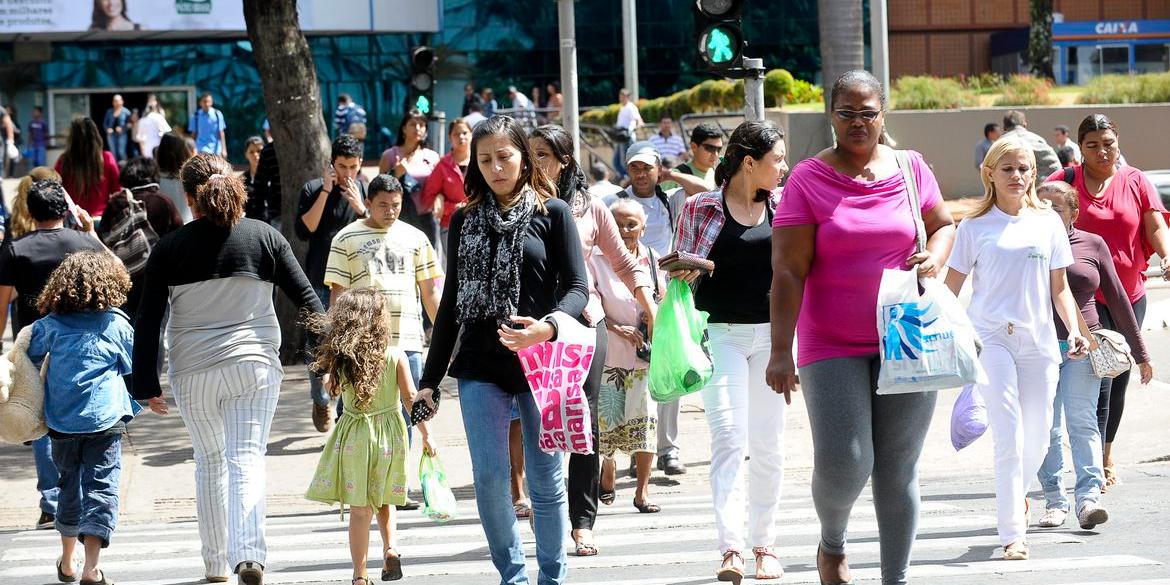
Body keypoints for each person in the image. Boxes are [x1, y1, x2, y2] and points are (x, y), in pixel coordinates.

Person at [769, 70, 956, 585]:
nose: (857, 122)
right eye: (847, 112)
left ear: (883, 115)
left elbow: (943, 224)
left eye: (867, 112)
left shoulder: (912, 168)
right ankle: (833, 542)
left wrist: (935, 258)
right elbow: (787, 269)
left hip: (907, 336)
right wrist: (779, 350)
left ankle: (894, 578)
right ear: (831, 116)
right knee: (846, 462)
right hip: (830, 341)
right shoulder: (808, 179)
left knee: (897, 467)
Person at [132, 154, 322, 585]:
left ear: (188, 196)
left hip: (193, 371)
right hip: (254, 366)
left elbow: (148, 318)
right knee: (246, 458)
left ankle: (215, 564)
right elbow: (310, 303)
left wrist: (145, 381)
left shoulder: (170, 248)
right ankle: (249, 555)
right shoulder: (264, 237)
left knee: (210, 460)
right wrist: (328, 359)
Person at [419, 115, 588, 585]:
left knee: (546, 477)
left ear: (524, 157)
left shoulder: (553, 213)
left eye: (505, 157)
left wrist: (548, 328)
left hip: (542, 363)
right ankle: (511, 576)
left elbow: (578, 288)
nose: (496, 168)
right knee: (491, 481)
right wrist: (429, 382)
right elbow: (451, 303)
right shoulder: (465, 220)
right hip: (480, 364)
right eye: (486, 159)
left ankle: (552, 577)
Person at [944, 137, 1092, 561]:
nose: (1018, 176)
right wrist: (933, 329)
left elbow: (1059, 288)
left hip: (1040, 341)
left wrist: (1075, 329)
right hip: (991, 340)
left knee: (1040, 437)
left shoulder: (1047, 223)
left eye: (1024, 168)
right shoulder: (973, 227)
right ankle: (1012, 532)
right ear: (989, 172)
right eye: (1007, 168)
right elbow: (951, 289)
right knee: (1008, 435)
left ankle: (1018, 498)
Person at [529, 124, 657, 556]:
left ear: (565, 161)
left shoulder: (591, 209)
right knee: (541, 422)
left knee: (586, 422)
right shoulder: (517, 205)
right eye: (530, 154)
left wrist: (650, 307)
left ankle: (583, 523)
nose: (534, 163)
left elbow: (624, 264)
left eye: (543, 155)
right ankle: (546, 510)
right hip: (533, 330)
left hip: (585, 325)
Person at [672, 120, 790, 582]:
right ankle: (732, 549)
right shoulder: (701, 207)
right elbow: (677, 271)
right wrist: (694, 266)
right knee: (728, 440)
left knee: (769, 446)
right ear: (748, 162)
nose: (783, 167)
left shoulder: (784, 208)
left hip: (773, 339)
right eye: (776, 159)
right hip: (718, 335)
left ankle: (765, 544)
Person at [1044, 114, 1170, 488]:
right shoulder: (1064, 181)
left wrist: (1166, 254)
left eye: (1108, 143)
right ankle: (1092, 462)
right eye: (1092, 145)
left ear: (1118, 143)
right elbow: (1030, 210)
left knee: (1118, 375)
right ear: (1079, 148)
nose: (1102, 151)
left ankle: (1106, 451)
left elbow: (1155, 224)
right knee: (1094, 379)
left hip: (1128, 294)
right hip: (1082, 297)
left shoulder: (1135, 180)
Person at [1033, 181, 1152, 531]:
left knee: (1083, 420)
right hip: (1037, 348)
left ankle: (1088, 500)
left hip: (1082, 346)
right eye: (1041, 206)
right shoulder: (1026, 245)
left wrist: (1141, 351)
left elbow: (1117, 297)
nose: (1048, 214)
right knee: (1047, 427)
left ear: (1073, 212)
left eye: (1056, 207)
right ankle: (1055, 500)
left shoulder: (1092, 244)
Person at [26, 250, 144, 585]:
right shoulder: (116, 323)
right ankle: (92, 567)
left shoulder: (49, 325)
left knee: (68, 485)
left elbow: (27, 359)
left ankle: (67, 562)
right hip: (105, 421)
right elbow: (135, 364)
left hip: (62, 421)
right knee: (102, 486)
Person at [304, 288, 436, 584]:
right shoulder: (395, 355)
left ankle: (359, 575)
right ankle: (391, 549)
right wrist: (427, 435)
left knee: (360, 510)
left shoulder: (343, 358)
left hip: (355, 437)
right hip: (390, 436)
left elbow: (331, 391)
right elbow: (410, 399)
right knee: (385, 497)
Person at [0, 178, 106, 534]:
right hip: (78, 341)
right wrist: (91, 232)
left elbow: (0, 306)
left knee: (38, 419)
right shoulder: (82, 243)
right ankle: (77, 497)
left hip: (33, 343)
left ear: (30, 212)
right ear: (65, 209)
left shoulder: (15, 250)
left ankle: (52, 502)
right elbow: (114, 280)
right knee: (74, 415)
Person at [602, 141, 687, 477]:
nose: (639, 174)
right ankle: (628, 453)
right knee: (623, 379)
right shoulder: (614, 202)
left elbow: (707, 188)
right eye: (634, 167)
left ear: (657, 170)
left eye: (646, 167)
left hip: (663, 293)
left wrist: (670, 175)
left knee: (667, 373)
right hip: (622, 296)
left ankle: (667, 449)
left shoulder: (671, 198)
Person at [324, 173, 442, 390]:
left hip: (408, 342)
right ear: (368, 203)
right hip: (362, 343)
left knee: (408, 414)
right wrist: (335, 350)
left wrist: (446, 338)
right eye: (383, 205)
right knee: (358, 413)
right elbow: (338, 296)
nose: (390, 211)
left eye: (396, 205)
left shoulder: (417, 238)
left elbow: (430, 293)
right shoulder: (344, 238)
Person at [594, 199, 665, 518]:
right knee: (608, 424)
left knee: (646, 423)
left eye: (631, 224)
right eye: (618, 223)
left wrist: (652, 320)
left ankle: (642, 491)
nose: (624, 231)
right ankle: (608, 468)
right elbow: (588, 305)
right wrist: (617, 327)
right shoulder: (595, 260)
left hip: (645, 358)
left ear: (643, 228)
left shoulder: (652, 260)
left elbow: (661, 300)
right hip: (609, 355)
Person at [297, 134, 369, 431]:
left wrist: (360, 207)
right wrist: (326, 191)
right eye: (342, 166)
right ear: (332, 164)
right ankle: (320, 397)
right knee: (319, 346)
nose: (348, 174)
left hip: (353, 284)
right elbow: (305, 230)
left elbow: (371, 228)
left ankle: (343, 410)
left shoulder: (362, 190)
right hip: (319, 279)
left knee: (350, 345)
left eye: (353, 166)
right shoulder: (313, 189)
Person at [102, 157, 183, 318]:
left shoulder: (115, 203)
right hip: (157, 279)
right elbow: (179, 239)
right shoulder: (162, 202)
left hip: (124, 279)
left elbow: (103, 239)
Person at [379, 109, 440, 250]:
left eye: (422, 125)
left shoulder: (432, 156)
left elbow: (439, 186)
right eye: (413, 124)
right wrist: (395, 173)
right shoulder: (389, 155)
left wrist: (439, 197)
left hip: (426, 218)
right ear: (404, 128)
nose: (417, 128)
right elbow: (378, 188)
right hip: (399, 219)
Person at [421, 118, 472, 264]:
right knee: (454, 271)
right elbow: (427, 199)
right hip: (451, 226)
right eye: (456, 134)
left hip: (479, 223)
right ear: (450, 137)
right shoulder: (442, 165)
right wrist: (451, 207)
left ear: (471, 134)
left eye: (464, 133)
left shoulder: (481, 161)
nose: (461, 137)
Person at [55, 117, 121, 217]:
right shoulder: (107, 158)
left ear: (72, 138)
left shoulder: (64, 161)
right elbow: (117, 191)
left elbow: (55, 190)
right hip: (101, 219)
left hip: (74, 221)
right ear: (96, 135)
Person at [665, 122, 724, 196]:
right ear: (694, 147)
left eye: (719, 149)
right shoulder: (674, 176)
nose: (716, 154)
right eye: (710, 148)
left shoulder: (719, 175)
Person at [1001, 110, 1060, 182]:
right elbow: (1056, 168)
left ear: (1004, 128)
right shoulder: (1037, 140)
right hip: (1037, 190)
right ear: (1025, 125)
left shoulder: (999, 144)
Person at [155, 132, 195, 223]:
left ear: (160, 152)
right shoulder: (190, 179)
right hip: (188, 228)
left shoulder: (155, 181)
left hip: (165, 232)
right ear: (183, 151)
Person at [612, 88, 642, 178]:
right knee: (616, 162)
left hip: (627, 138)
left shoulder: (631, 107)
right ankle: (625, 178)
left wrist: (632, 130)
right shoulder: (622, 107)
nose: (621, 98)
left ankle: (628, 179)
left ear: (628, 97)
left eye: (623, 96)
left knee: (625, 162)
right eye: (620, 96)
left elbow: (637, 120)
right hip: (620, 137)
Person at [188, 92, 227, 157]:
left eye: (208, 101)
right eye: (204, 101)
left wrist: (224, 149)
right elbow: (193, 134)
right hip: (200, 150)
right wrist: (191, 149)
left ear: (211, 102)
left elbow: (221, 133)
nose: (206, 104)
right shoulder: (196, 116)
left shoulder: (218, 114)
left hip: (215, 150)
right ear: (200, 103)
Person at [241, 136, 267, 221]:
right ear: (246, 154)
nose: (255, 155)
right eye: (251, 152)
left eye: (259, 151)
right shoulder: (242, 180)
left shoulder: (271, 177)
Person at [102, 95, 131, 163]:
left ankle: (124, 169)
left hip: (122, 134)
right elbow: (105, 123)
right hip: (111, 135)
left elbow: (130, 124)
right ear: (113, 102)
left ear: (122, 101)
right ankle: (115, 170)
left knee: (121, 152)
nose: (117, 102)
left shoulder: (126, 112)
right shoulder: (109, 112)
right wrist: (108, 129)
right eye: (115, 101)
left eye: (118, 100)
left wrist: (123, 128)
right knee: (113, 153)